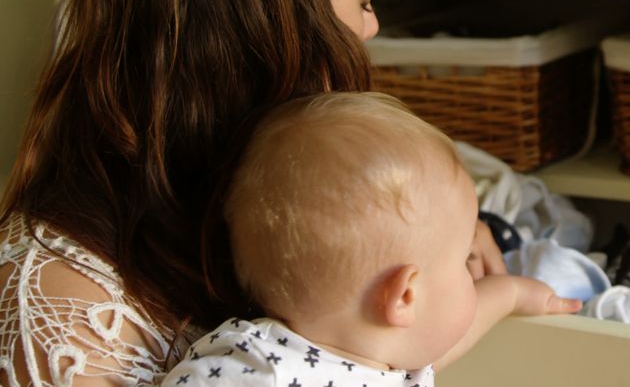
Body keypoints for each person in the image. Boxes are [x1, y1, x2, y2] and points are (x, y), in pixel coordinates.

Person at [0, 0, 505, 385]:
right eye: (364, 0)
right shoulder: (72, 323)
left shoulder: (269, 190)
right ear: (267, 22)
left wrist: (429, 242)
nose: (372, 27)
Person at [157, 92, 580, 386]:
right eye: (461, 263)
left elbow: (447, 338)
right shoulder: (260, 369)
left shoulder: (385, 360)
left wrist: (511, 293)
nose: (472, 273)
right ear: (405, 297)